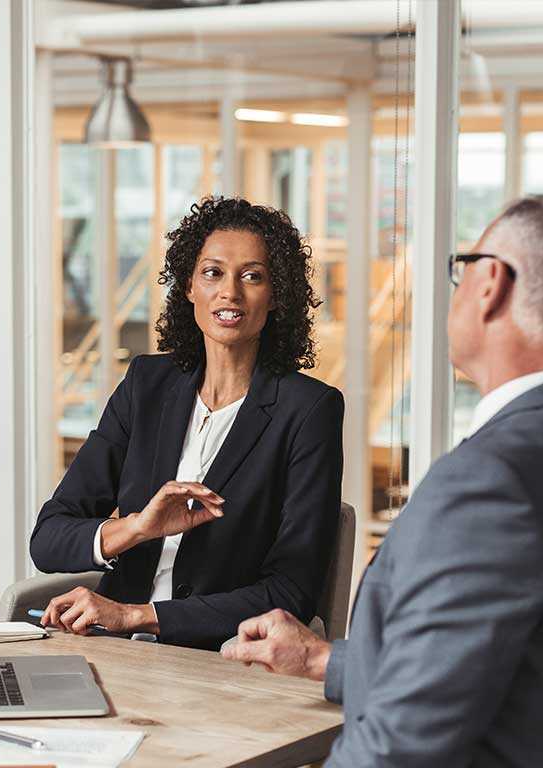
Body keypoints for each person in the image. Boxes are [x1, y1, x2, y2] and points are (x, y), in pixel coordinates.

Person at [223, 194, 543, 767]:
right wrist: (325, 660)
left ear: (490, 284)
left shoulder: (491, 486)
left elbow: (397, 753)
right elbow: (527, 671)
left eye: (461, 270)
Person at [30, 196, 344, 651]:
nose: (229, 292)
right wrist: (139, 527)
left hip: (223, 656)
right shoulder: (146, 385)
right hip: (116, 650)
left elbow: (292, 591)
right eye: (212, 273)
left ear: (276, 296)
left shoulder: (310, 409)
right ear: (189, 288)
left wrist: (138, 615)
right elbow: (48, 539)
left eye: (252, 276)